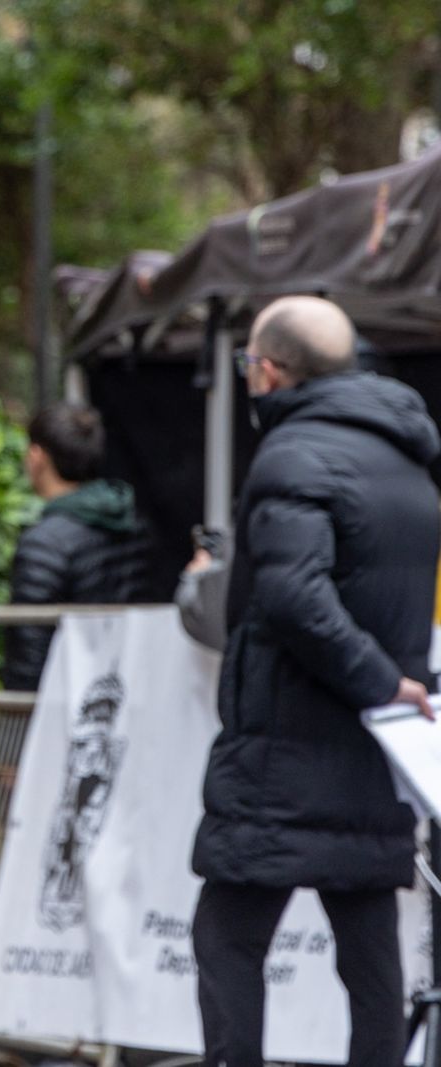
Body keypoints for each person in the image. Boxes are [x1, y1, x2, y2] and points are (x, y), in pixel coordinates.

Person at [191, 296, 438, 1067]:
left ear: (268, 370)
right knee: (369, 957)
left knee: (227, 938)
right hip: (373, 755)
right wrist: (388, 685)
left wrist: (376, 680)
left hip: (282, 748)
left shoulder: (292, 453)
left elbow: (293, 595)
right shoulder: (408, 455)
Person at [1, 401, 150, 691]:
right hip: (128, 690)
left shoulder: (44, 543)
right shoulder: (135, 521)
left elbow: (29, 653)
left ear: (37, 456)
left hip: (66, 700)